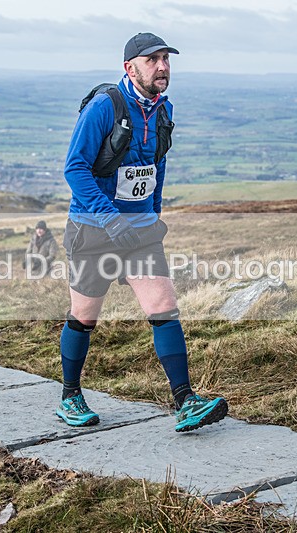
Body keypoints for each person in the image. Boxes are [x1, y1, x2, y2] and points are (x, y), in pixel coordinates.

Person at [57, 33, 228, 432]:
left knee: (163, 307)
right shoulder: (105, 106)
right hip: (94, 230)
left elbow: (156, 168)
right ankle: (70, 396)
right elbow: (74, 169)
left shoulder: (163, 111)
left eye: (166, 59)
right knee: (84, 317)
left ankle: (185, 401)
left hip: (140, 234)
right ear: (129, 67)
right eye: (152, 60)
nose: (163, 67)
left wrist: (153, 216)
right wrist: (110, 219)